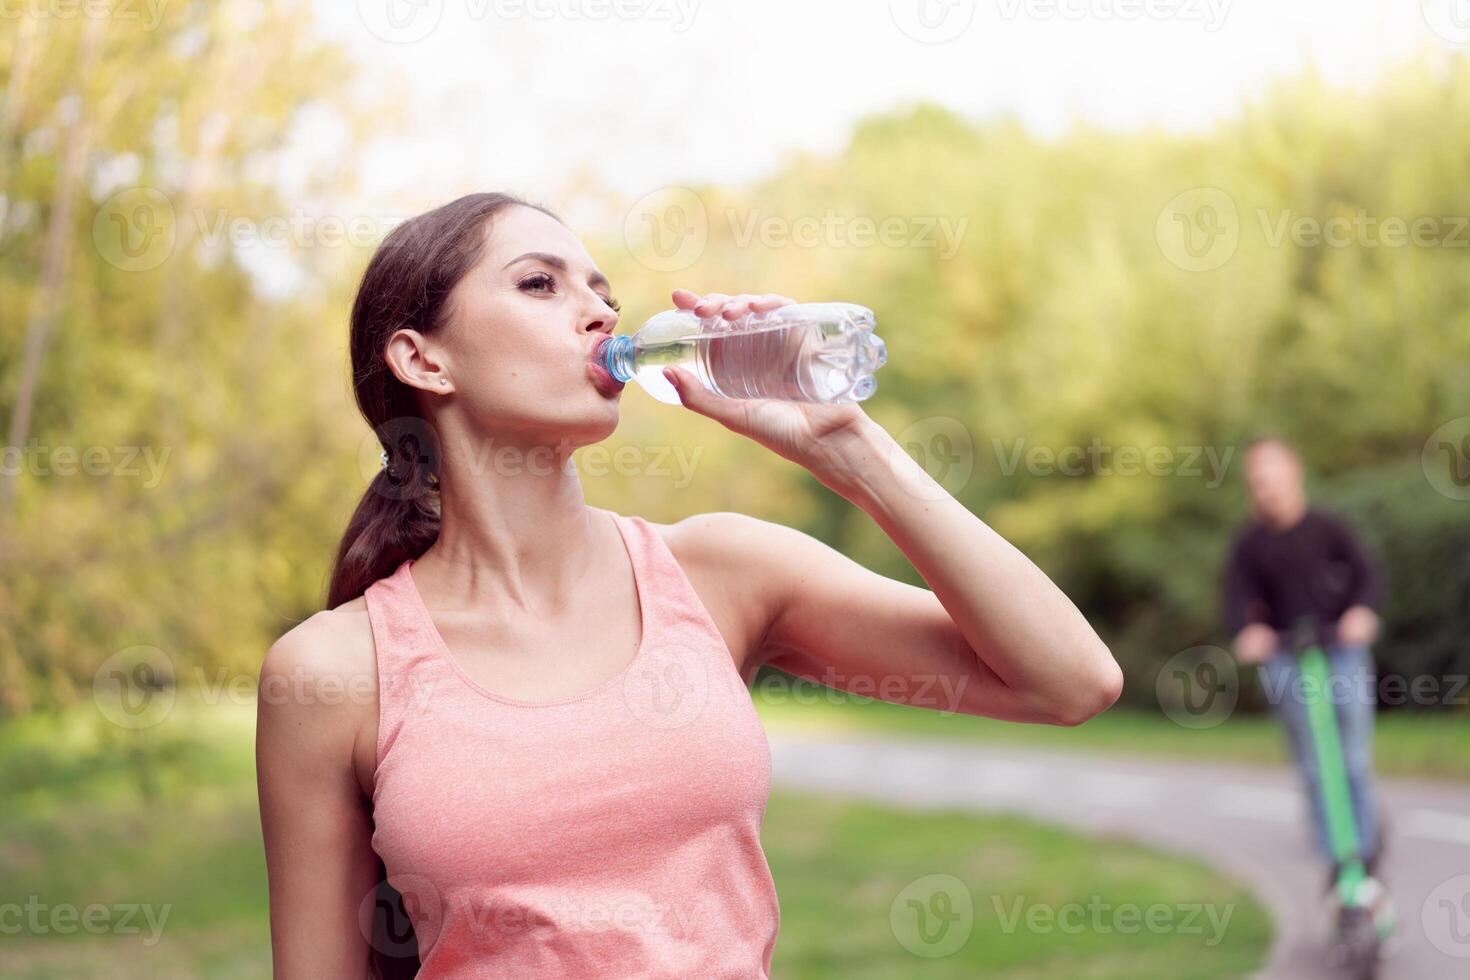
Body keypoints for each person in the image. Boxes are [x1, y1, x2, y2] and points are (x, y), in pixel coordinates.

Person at [254, 192, 1123, 979]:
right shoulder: (332, 670)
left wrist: (848, 448)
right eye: (539, 285)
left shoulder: (720, 573)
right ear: (424, 360)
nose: (598, 311)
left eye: (603, 293)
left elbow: (1068, 682)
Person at [1223, 436, 1386, 886]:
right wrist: (1248, 631)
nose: (1265, 489)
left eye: (1272, 478)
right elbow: (1237, 596)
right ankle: (1334, 854)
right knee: (1313, 764)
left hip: (1340, 651)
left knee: (1351, 758)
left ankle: (1365, 851)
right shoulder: (1250, 544)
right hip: (1287, 657)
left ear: (1294, 475)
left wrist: (1361, 612)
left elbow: (1367, 575)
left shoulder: (1329, 527)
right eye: (1257, 482)